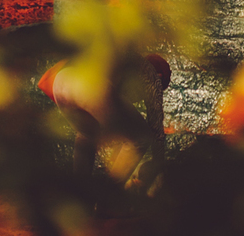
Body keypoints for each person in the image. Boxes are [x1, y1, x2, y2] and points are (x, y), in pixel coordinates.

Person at [38, 51, 171, 189]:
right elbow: (156, 130)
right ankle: (108, 202)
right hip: (86, 84)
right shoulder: (152, 76)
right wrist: (158, 164)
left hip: (61, 83)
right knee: (141, 138)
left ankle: (81, 195)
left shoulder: (127, 65)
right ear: (159, 77)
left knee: (87, 135)